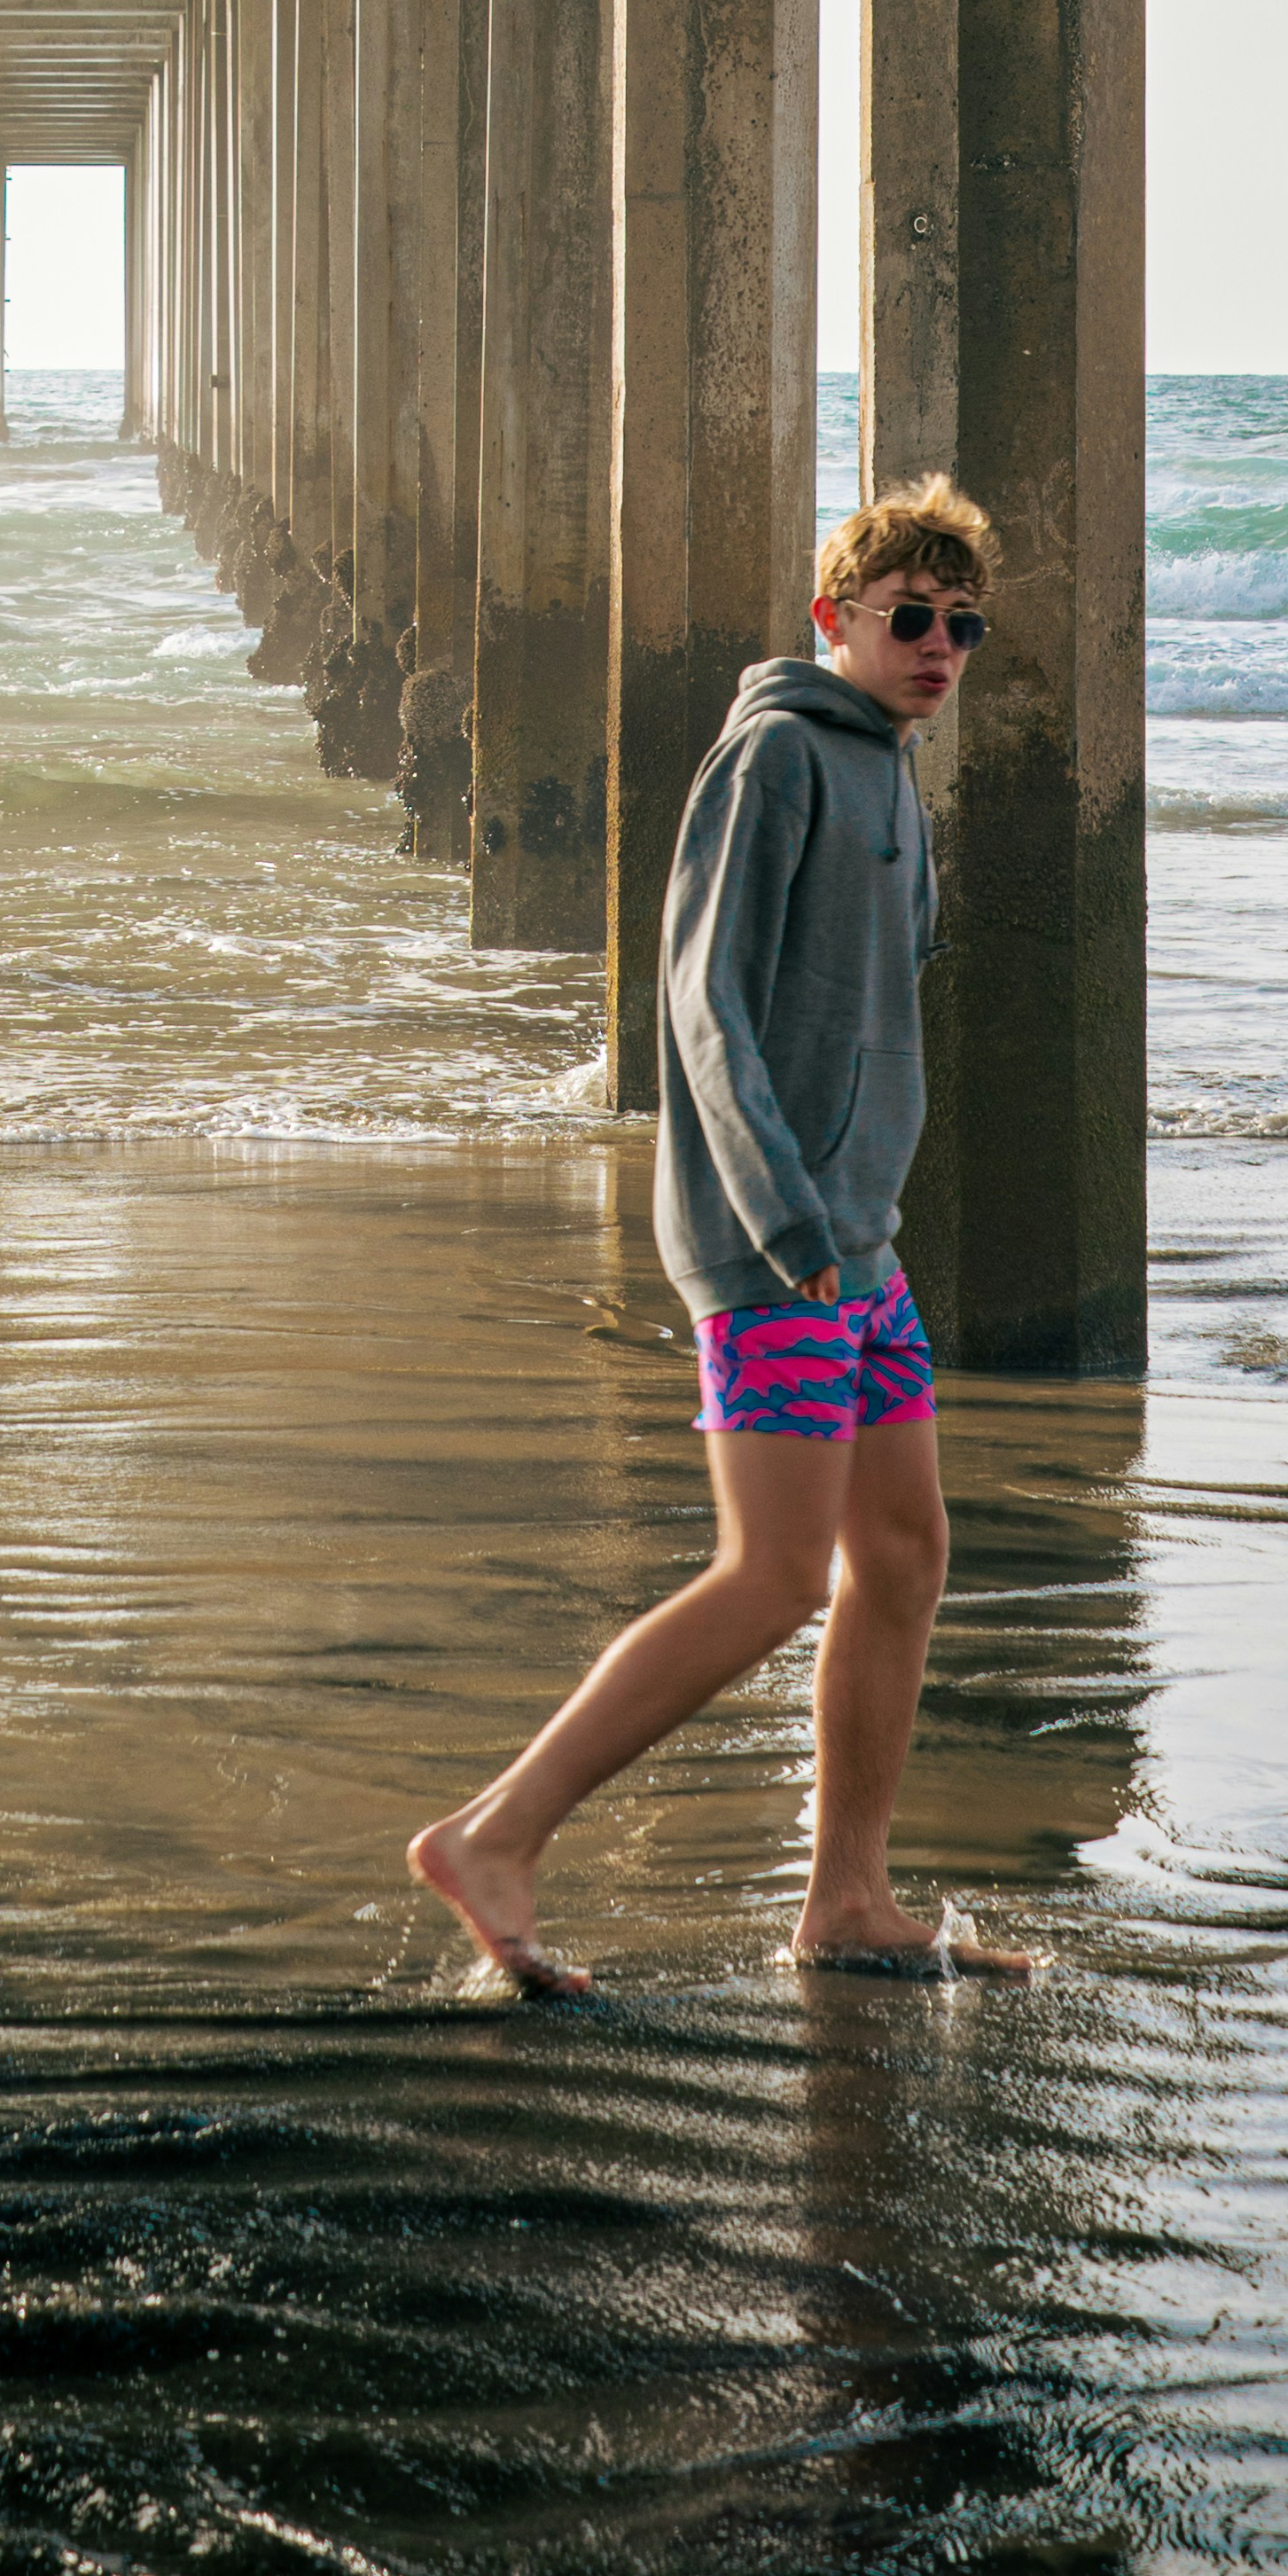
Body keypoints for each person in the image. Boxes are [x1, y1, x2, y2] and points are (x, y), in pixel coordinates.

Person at [408, 489, 1033, 1995]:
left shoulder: (888, 770)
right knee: (769, 1572)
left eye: (959, 623)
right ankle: (492, 1834)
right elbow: (700, 1000)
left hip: (857, 1247)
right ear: (833, 618)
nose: (936, 644)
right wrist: (781, 1212)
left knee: (899, 1551)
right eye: (905, 614)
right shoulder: (772, 754)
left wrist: (851, 1212)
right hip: (779, 1243)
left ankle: (848, 1896)